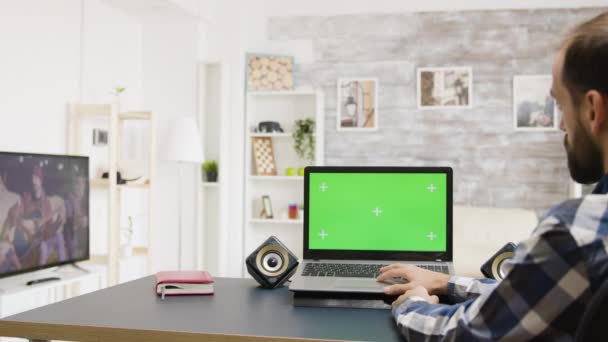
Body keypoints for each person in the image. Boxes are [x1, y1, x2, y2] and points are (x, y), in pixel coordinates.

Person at [377, 11, 608, 341]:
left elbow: (463, 334)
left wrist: (412, 303)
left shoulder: (578, 234)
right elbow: (528, 297)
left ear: (593, 110)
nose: (560, 124)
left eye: (559, 104)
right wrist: (445, 282)